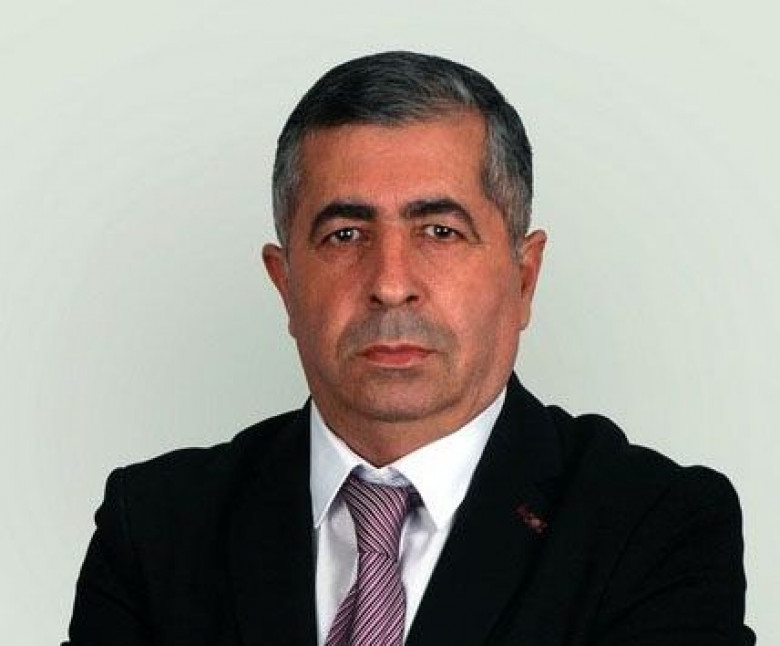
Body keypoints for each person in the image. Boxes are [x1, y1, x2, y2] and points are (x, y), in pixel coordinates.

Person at [64, 51, 754, 646]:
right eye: (345, 235)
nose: (390, 284)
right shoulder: (156, 525)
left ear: (523, 277)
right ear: (284, 284)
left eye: (440, 231)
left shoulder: (653, 526)